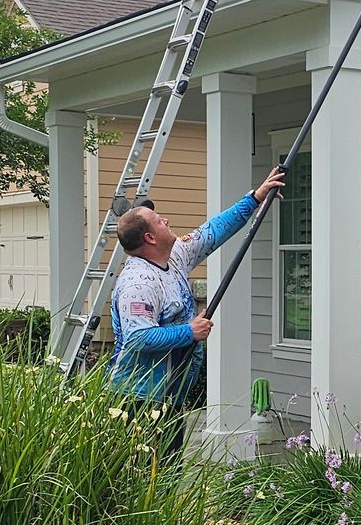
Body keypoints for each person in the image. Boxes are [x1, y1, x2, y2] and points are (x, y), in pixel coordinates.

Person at [108, 167, 285, 451]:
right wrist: (189, 331)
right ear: (150, 239)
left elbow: (212, 231)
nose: (166, 220)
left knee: (167, 473)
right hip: (136, 400)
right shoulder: (137, 283)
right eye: (158, 221)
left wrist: (256, 197)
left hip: (168, 396)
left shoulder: (175, 255)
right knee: (143, 479)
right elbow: (138, 338)